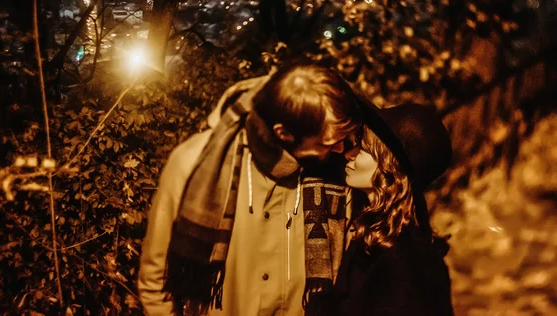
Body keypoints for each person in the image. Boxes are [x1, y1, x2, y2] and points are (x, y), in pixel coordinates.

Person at [138, 62, 377, 315]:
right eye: (328, 142)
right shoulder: (194, 164)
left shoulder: (338, 172)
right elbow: (156, 282)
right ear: (283, 133)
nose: (341, 149)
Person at [334, 102, 455, 316]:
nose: (349, 154)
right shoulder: (372, 234)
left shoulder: (406, 264)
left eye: (362, 149)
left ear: (389, 167)